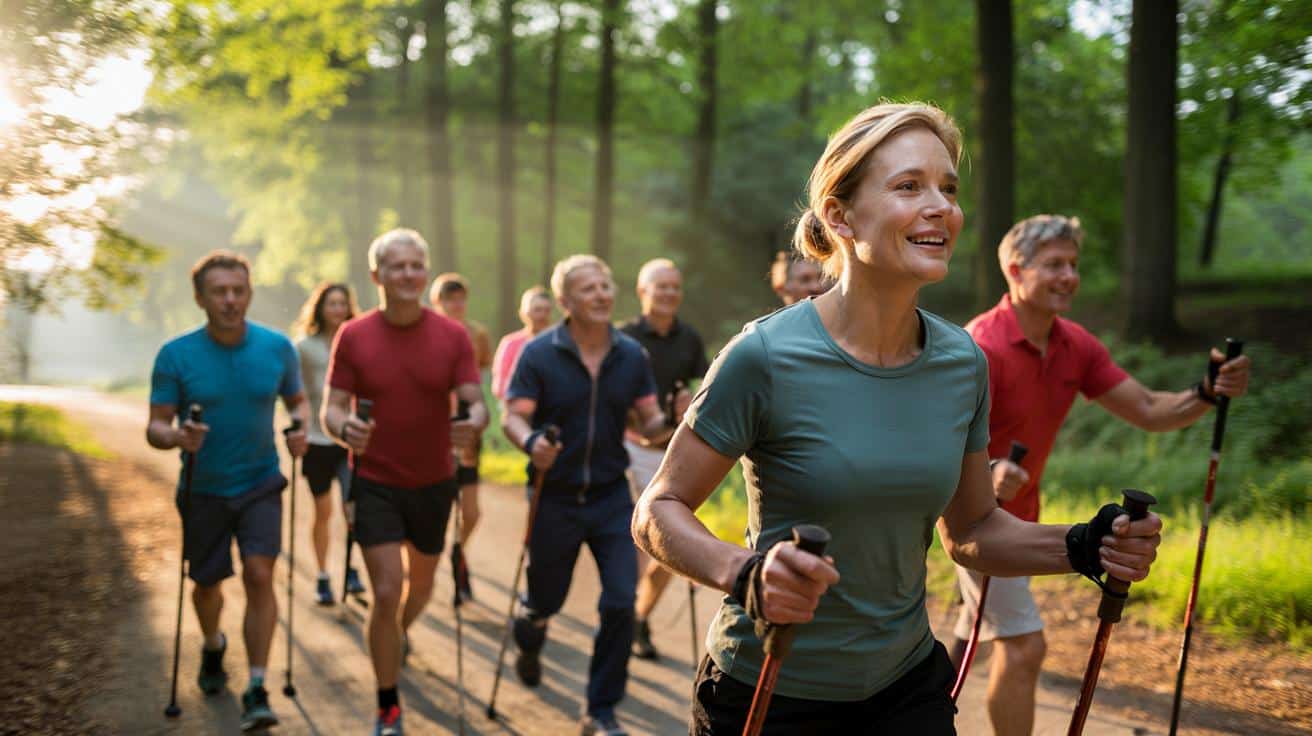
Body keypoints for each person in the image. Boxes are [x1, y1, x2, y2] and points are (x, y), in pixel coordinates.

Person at [630, 102, 1165, 735]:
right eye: (909, 186)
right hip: (770, 690)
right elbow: (657, 510)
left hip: (906, 687)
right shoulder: (764, 355)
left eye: (949, 189)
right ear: (840, 216)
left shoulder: (962, 361)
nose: (941, 207)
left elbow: (972, 529)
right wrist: (744, 573)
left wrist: (1083, 544)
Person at [946, 213, 1252, 736]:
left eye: (1073, 264)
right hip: (980, 522)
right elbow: (941, 443)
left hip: (1025, 517)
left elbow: (1149, 408)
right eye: (1054, 265)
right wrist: (990, 470)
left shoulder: (1074, 345)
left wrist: (1206, 392)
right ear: (1015, 270)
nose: (1069, 276)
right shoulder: (980, 347)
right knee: (1023, 646)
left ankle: (919, 715)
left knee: (971, 636)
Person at [323, 229, 488, 736]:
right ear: (377, 275)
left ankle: (393, 636)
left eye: (417, 265)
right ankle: (387, 705)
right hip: (373, 480)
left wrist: (472, 423)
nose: (409, 274)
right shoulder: (353, 335)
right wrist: (343, 429)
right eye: (398, 266)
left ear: (426, 271)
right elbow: (332, 408)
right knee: (386, 590)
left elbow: (475, 402)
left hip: (434, 481)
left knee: (423, 586)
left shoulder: (452, 336)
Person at [502, 254, 670, 736]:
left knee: (620, 601)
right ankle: (531, 627)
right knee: (545, 599)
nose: (601, 294)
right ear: (565, 300)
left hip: (610, 496)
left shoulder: (630, 355)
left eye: (605, 285)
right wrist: (532, 443)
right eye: (588, 288)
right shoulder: (540, 353)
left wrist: (677, 417)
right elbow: (514, 415)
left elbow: (650, 424)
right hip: (553, 495)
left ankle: (600, 710)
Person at [147, 250, 309, 732]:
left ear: (250, 293)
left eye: (238, 290)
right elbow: (156, 425)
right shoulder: (176, 355)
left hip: (261, 482)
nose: (230, 299)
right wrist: (177, 437)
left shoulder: (277, 347)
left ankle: (257, 686)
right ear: (200, 298)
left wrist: (299, 428)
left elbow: (297, 401)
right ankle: (213, 644)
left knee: (260, 574)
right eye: (219, 292)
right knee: (206, 584)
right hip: (203, 489)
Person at [618, 258, 709, 660]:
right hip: (629, 449)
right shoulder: (623, 337)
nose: (670, 293)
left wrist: (692, 402)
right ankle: (622, 617)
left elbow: (706, 386)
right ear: (643, 291)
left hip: (673, 453)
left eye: (675, 287)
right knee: (636, 546)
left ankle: (638, 617)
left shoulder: (689, 339)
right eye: (661, 286)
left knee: (668, 547)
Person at [292, 281, 366, 605]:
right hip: (316, 439)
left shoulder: (358, 342)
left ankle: (351, 567)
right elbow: (295, 393)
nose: (337, 309)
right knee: (323, 511)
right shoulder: (304, 347)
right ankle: (323, 574)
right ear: (320, 308)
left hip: (349, 438)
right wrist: (297, 425)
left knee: (353, 509)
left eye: (342, 303)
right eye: (331, 303)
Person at [429, 272, 493, 601]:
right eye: (449, 299)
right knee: (436, 504)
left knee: (471, 512)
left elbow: (481, 377)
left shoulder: (477, 334)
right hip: (431, 424)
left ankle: (458, 551)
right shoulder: (426, 333)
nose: (456, 305)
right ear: (436, 302)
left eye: (460, 298)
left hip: (466, 424)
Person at [491, 286, 555, 401]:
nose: (543, 315)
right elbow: (500, 385)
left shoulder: (559, 343)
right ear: (524, 313)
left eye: (547, 310)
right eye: (537, 310)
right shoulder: (510, 343)